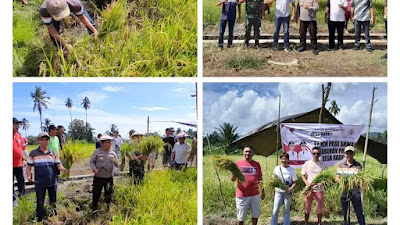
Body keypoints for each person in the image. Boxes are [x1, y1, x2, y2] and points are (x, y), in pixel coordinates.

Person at [26, 132, 64, 222]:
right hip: (39, 183)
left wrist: (64, 169)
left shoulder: (53, 153)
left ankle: (54, 218)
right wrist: (28, 175)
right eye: (42, 139)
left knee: (53, 202)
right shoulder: (33, 153)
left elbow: (58, 165)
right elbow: (28, 166)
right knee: (40, 202)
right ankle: (40, 220)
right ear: (38, 141)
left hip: (52, 182)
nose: (44, 142)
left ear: (49, 141)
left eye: (46, 140)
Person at [232, 146, 264, 225]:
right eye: (246, 151)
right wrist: (234, 175)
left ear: (253, 153)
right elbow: (233, 179)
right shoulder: (237, 164)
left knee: (255, 214)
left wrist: (262, 191)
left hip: (255, 194)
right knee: (241, 216)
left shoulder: (257, 164)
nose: (248, 153)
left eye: (250, 152)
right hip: (242, 195)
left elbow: (260, 178)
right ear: (243, 153)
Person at [335, 146, 366, 225]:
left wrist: (354, 182)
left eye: (350, 153)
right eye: (347, 153)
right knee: (345, 211)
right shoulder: (341, 166)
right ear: (344, 155)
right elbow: (337, 178)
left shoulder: (358, 165)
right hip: (345, 191)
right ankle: (346, 223)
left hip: (355, 191)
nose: (349, 155)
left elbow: (361, 178)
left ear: (353, 154)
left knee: (359, 211)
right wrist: (343, 182)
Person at [90, 134, 119, 211]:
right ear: (102, 143)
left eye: (109, 142)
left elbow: (117, 164)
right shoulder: (97, 152)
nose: (108, 144)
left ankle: (108, 209)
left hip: (109, 178)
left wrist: (117, 163)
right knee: (96, 194)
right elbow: (92, 162)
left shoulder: (113, 153)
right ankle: (94, 209)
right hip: (98, 177)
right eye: (106, 142)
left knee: (109, 194)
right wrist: (94, 169)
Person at [301, 146, 326, 225]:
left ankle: (319, 222)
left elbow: (325, 176)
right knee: (307, 206)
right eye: (314, 153)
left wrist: (322, 181)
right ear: (311, 154)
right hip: (309, 189)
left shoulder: (323, 164)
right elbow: (302, 175)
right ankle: (306, 222)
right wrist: (307, 183)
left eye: (317, 154)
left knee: (319, 207)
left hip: (319, 188)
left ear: (320, 154)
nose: (315, 155)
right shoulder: (307, 163)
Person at [271, 152, 297, 225]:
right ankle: (273, 223)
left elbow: (294, 182)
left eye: (285, 159)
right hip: (278, 192)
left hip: (287, 193)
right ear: (280, 159)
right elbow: (273, 182)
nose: (284, 160)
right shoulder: (276, 169)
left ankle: (286, 223)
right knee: (275, 210)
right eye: (282, 159)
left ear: (288, 160)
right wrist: (273, 192)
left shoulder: (291, 169)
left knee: (286, 210)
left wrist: (291, 188)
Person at [13, 118, 27, 202]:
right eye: (15, 124)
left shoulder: (18, 135)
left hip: (19, 164)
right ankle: (13, 200)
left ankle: (23, 199)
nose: (17, 126)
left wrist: (23, 159)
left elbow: (20, 148)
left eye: (18, 124)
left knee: (21, 182)